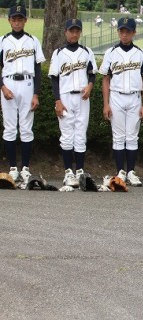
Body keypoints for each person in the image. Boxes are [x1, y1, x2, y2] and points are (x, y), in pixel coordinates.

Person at [99, 17, 143, 187]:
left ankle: (130, 172)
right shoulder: (111, 52)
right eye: (122, 31)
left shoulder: (141, 53)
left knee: (131, 137)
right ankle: (120, 172)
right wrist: (106, 104)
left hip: (134, 97)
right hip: (116, 96)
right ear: (118, 32)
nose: (124, 34)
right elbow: (106, 79)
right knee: (118, 137)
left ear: (134, 33)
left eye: (128, 31)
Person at [48, 19, 97, 191]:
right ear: (65, 32)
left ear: (80, 32)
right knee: (67, 134)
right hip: (66, 96)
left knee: (81, 134)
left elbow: (92, 74)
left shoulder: (87, 52)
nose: (74, 34)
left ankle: (80, 170)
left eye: (77, 31)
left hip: (83, 97)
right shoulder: (58, 53)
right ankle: (68, 171)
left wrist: (90, 86)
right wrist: (58, 101)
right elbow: (54, 78)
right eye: (71, 31)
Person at [0, 6, 45, 186]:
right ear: (9, 20)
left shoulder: (33, 41)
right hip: (9, 83)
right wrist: (2, 87)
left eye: (20, 19)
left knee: (26, 128)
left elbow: (38, 69)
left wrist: (36, 94)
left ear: (25, 20)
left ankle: (25, 168)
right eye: (14, 19)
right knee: (10, 128)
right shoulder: (2, 41)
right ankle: (12, 168)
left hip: (27, 83)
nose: (17, 22)